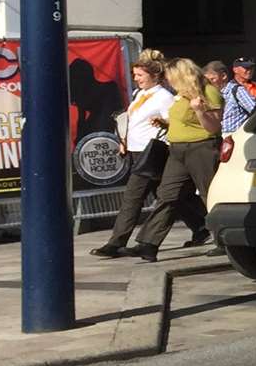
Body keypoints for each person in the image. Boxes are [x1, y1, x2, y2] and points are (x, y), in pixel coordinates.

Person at [127, 58, 224, 262]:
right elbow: (182, 120)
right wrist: (166, 123)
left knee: (210, 194)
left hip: (201, 148)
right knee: (167, 194)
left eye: (171, 77)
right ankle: (148, 244)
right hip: (177, 150)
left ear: (181, 75)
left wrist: (199, 110)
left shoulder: (208, 92)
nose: (168, 81)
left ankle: (225, 240)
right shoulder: (180, 94)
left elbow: (212, 127)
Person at [92, 50, 182, 257]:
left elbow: (173, 123)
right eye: (135, 75)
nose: (136, 79)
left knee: (132, 197)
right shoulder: (139, 95)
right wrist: (124, 140)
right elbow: (131, 120)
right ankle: (200, 226)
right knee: (170, 195)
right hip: (134, 150)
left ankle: (115, 242)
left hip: (150, 152)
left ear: (155, 75)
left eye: (140, 75)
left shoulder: (164, 97)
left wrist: (163, 130)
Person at [211, 60, 256, 135]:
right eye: (246, 68)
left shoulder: (239, 90)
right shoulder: (214, 93)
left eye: (251, 68)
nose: (249, 71)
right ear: (235, 70)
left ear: (224, 76)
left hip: (232, 136)